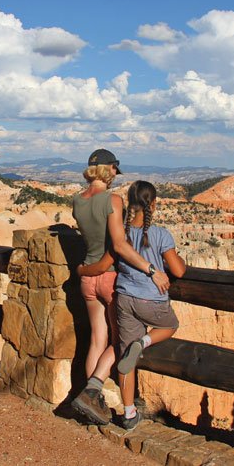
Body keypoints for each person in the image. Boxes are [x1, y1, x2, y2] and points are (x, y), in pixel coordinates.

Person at [70, 149, 171, 425]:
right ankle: (94, 391)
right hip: (111, 277)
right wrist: (151, 269)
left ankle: (92, 399)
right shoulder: (113, 200)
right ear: (107, 169)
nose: (116, 174)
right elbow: (118, 244)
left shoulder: (77, 201)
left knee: (96, 340)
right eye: (115, 169)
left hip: (87, 279)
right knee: (120, 343)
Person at [114, 180, 186, 429]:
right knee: (171, 325)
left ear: (130, 204)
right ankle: (143, 342)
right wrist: (181, 261)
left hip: (124, 299)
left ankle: (129, 413)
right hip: (152, 300)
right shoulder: (160, 234)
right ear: (153, 204)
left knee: (125, 357)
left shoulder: (121, 234)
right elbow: (177, 269)